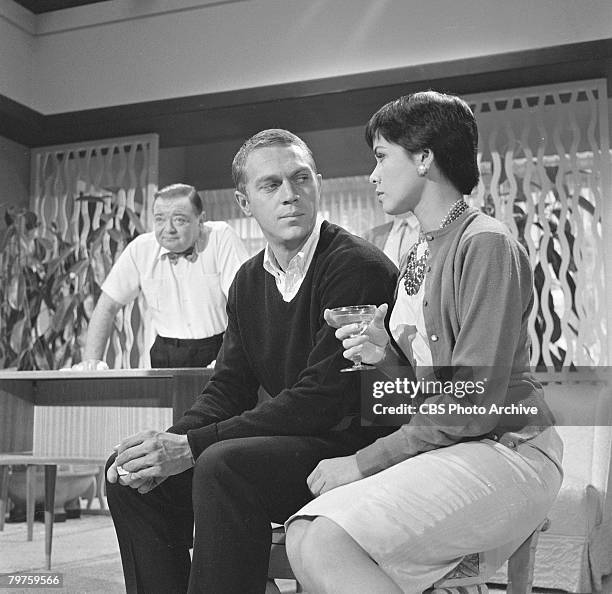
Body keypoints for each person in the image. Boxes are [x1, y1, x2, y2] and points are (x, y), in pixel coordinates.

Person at [285, 92, 564, 593]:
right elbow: (424, 392)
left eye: (381, 157)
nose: (372, 175)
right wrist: (383, 354)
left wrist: (361, 462)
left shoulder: (485, 243)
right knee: (302, 532)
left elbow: (470, 404)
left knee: (327, 538)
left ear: (424, 157)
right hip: (458, 448)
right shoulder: (417, 251)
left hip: (510, 450)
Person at [104, 129, 397, 594]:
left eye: (301, 179)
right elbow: (229, 389)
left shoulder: (355, 267)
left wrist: (192, 448)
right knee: (128, 476)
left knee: (224, 464)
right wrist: (169, 441)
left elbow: (321, 400)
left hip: (349, 446)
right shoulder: (246, 281)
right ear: (244, 203)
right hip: (290, 443)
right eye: (271, 185)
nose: (290, 195)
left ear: (317, 184)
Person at [79, 183, 248, 369]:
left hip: (218, 348)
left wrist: (232, 355)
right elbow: (107, 306)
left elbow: (244, 304)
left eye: (179, 220)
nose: (168, 229)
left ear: (200, 221)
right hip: (165, 352)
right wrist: (90, 364)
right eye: (159, 219)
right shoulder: (141, 248)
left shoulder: (220, 237)